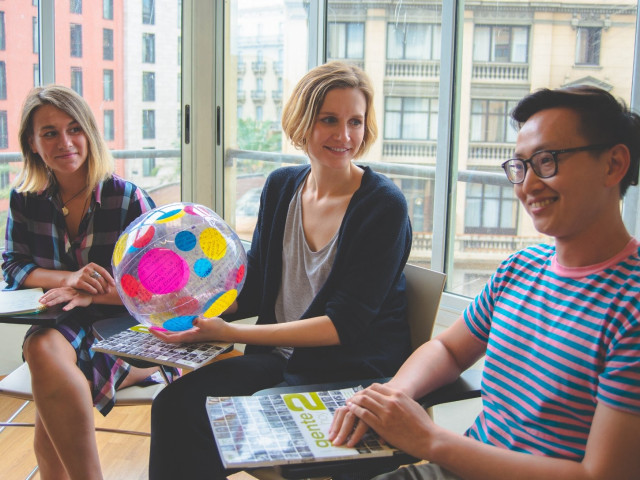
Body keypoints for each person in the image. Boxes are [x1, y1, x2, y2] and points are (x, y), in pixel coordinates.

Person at [329, 85, 640, 480]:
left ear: (614, 165)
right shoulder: (521, 268)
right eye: (520, 166)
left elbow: (603, 475)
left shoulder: (631, 307)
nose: (527, 185)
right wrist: (392, 397)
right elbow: (448, 348)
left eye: (547, 161)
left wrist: (430, 440)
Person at [148, 61, 413, 479]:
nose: (344, 136)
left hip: (349, 375)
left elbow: (343, 326)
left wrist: (229, 333)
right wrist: (192, 312)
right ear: (303, 122)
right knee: (174, 406)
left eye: (355, 122)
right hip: (282, 362)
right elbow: (255, 290)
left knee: (230, 424)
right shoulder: (281, 187)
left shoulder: (383, 206)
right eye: (329, 120)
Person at [1, 85, 164, 480]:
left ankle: (139, 366)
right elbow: (13, 266)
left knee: (46, 373)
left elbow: (159, 289)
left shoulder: (127, 198)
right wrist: (69, 279)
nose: (65, 142)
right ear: (32, 143)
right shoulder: (26, 199)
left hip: (124, 323)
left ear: (90, 132)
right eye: (50, 133)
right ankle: (132, 372)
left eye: (74, 129)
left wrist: (91, 292)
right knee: (43, 349)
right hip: (63, 323)